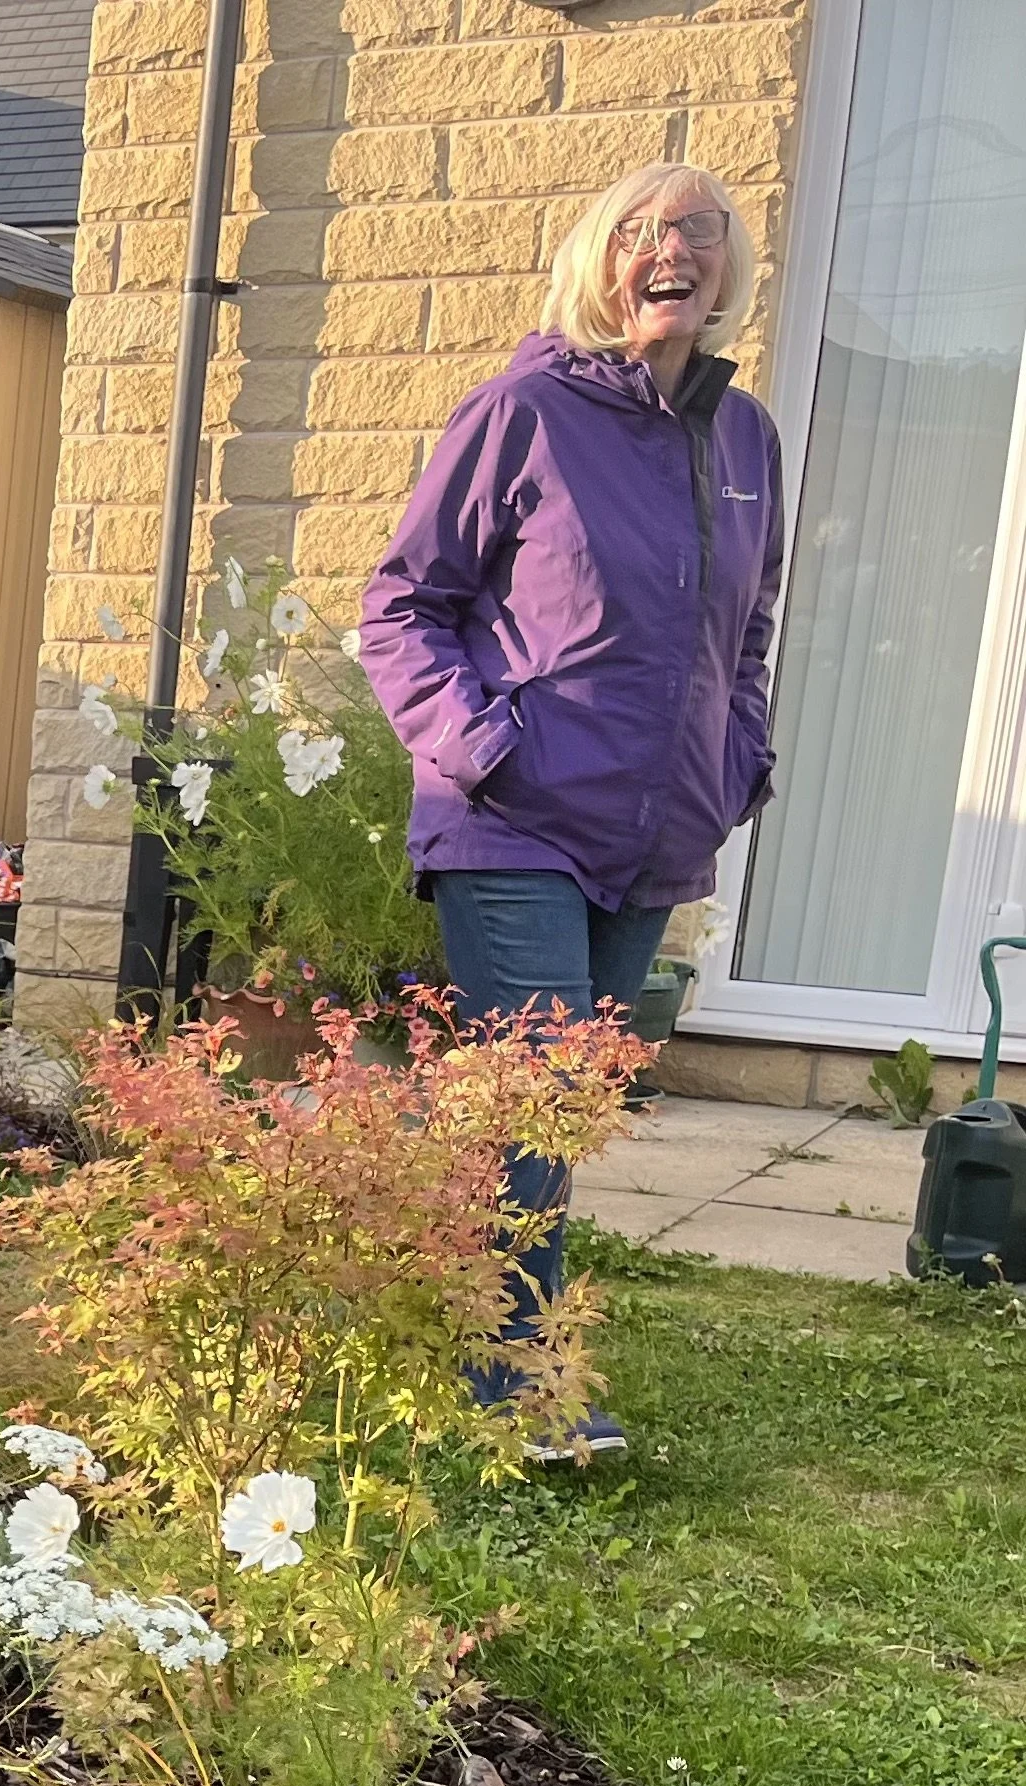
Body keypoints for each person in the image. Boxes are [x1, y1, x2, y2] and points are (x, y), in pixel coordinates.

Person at [357, 161, 783, 1457]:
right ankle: (507, 1388)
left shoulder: (747, 435)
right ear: (602, 261)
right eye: (647, 232)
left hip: (653, 832)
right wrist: (484, 745)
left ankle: (477, 1344)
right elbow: (400, 607)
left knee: (559, 1109)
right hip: (515, 818)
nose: (677, 251)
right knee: (532, 1085)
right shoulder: (526, 409)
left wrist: (738, 759)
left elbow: (750, 628)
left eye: (701, 234)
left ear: (728, 271)